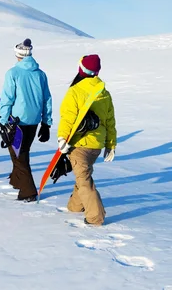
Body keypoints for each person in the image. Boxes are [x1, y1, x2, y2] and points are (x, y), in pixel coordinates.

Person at [57, 54, 116, 225]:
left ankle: (95, 216)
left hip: (79, 144)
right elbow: (110, 122)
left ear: (81, 69)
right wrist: (110, 145)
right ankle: (75, 206)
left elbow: (68, 117)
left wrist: (62, 138)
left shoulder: (75, 91)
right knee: (82, 174)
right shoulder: (104, 93)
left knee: (84, 180)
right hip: (96, 146)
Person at [0, 38, 53, 202]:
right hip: (34, 120)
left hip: (17, 120)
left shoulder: (13, 73)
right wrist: (46, 123)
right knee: (23, 151)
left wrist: (2, 119)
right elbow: (47, 99)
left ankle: (28, 191)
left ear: (18, 55)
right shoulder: (40, 74)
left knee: (18, 154)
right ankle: (17, 181)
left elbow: (8, 98)